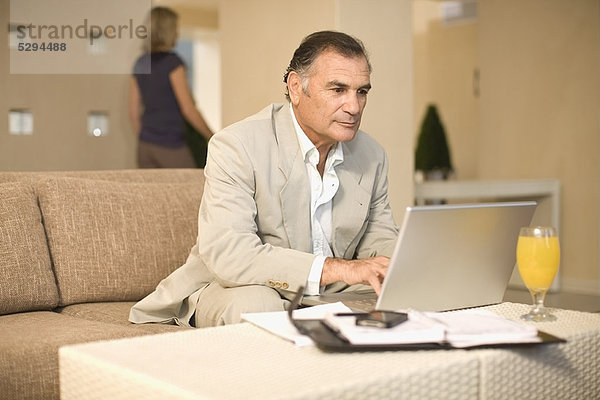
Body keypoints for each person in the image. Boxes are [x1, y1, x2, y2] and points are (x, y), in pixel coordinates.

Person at [129, 30, 399, 327]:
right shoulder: (236, 145)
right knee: (260, 306)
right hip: (241, 287)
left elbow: (379, 239)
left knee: (405, 298)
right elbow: (231, 254)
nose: (354, 107)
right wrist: (338, 270)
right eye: (338, 90)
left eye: (362, 91)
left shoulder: (372, 155)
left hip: (330, 292)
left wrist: (410, 266)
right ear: (296, 87)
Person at [128, 6, 214, 168]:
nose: (178, 34)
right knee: (191, 189)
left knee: (151, 193)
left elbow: (133, 112)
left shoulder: (140, 63)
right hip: (171, 146)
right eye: (175, 29)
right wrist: (211, 136)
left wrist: (146, 138)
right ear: (167, 32)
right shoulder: (173, 63)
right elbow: (188, 109)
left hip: (145, 147)